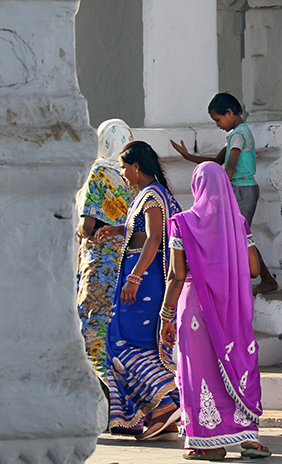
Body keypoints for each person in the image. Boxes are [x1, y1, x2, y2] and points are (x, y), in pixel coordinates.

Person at [160, 162, 270, 460]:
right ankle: (249, 439)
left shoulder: (181, 223)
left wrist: (165, 316)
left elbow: (176, 275)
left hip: (195, 307)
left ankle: (209, 444)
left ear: (197, 187)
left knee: (199, 372)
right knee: (238, 364)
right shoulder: (238, 223)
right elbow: (254, 269)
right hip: (232, 307)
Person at [97, 141, 184, 440]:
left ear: (136, 167)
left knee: (120, 342)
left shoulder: (152, 196)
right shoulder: (154, 195)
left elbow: (154, 238)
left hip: (145, 280)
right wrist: (118, 229)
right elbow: (144, 231)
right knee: (146, 345)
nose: (122, 173)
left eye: (124, 167)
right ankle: (166, 422)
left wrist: (134, 277)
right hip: (147, 278)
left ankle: (164, 405)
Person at [171, 93, 278, 295]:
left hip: (242, 190)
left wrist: (217, 190)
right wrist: (188, 157)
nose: (218, 125)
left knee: (241, 236)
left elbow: (229, 167)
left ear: (229, 113)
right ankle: (258, 279)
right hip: (239, 189)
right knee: (238, 236)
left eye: (218, 120)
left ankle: (265, 279)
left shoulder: (238, 135)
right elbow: (216, 162)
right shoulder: (236, 135)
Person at [76, 119, 136, 380]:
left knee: (93, 327)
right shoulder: (133, 175)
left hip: (101, 264)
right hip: (130, 262)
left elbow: (88, 225)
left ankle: (104, 388)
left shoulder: (98, 174)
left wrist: (79, 231)